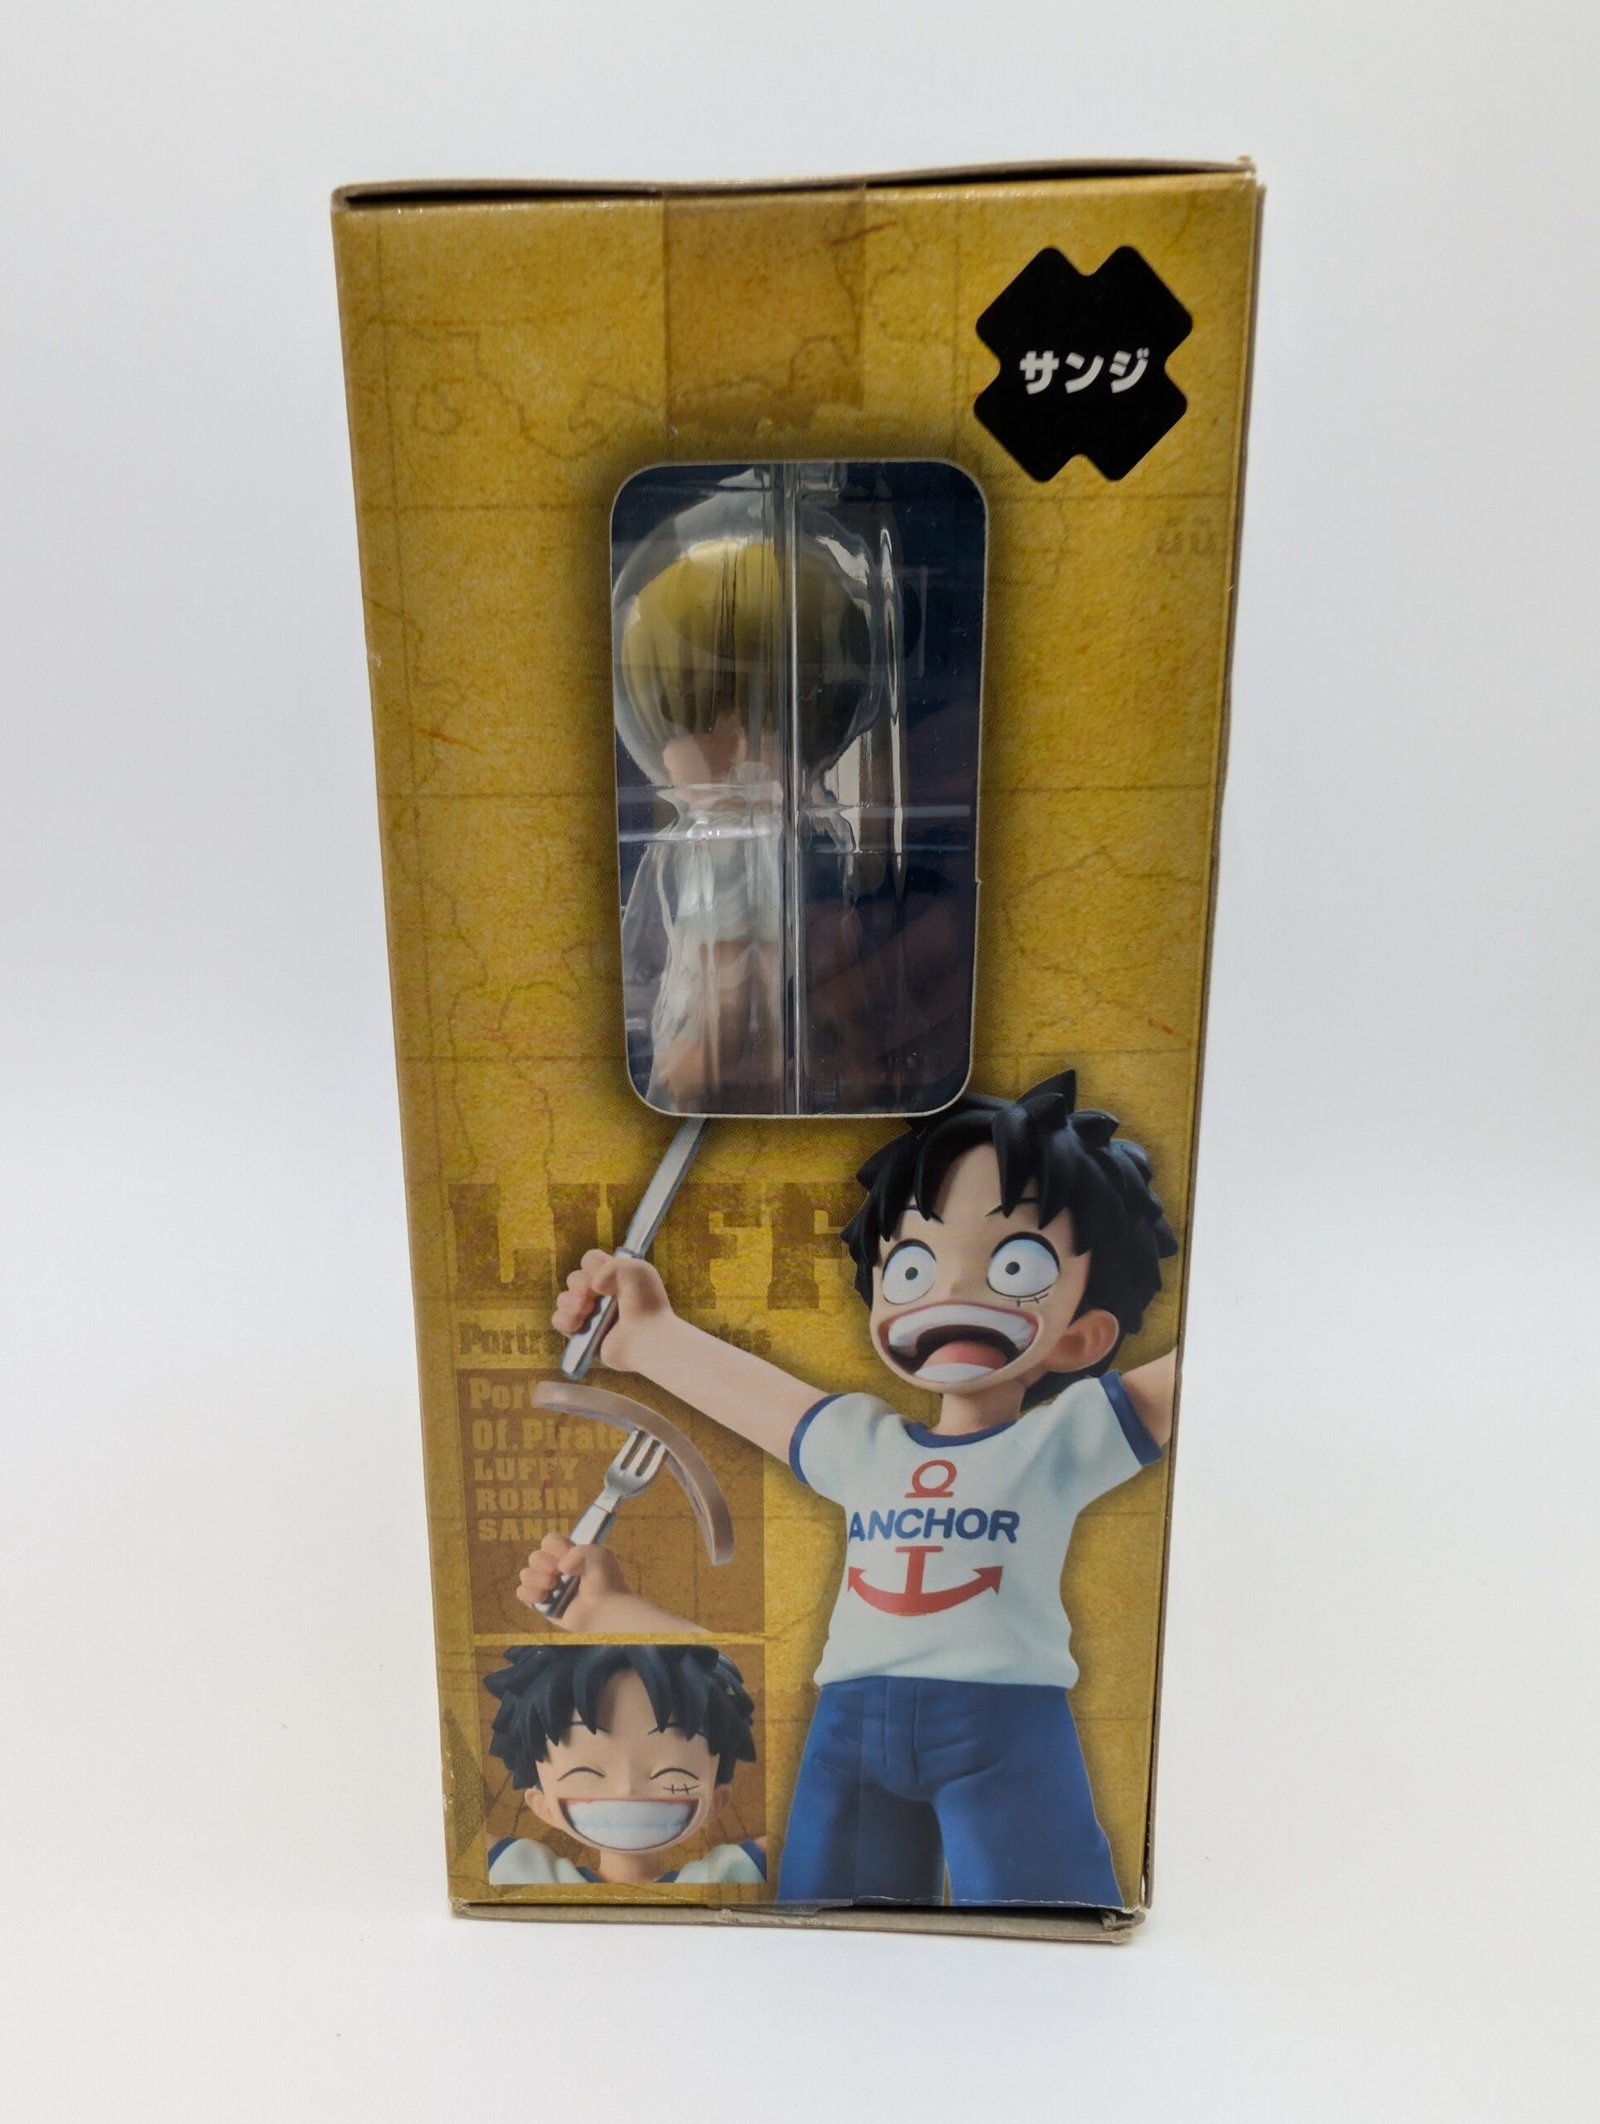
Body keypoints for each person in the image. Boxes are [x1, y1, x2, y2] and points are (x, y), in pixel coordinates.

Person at [546, 1068, 1177, 1908]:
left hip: (1004, 1726)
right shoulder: (861, 1441)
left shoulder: (1059, 1443)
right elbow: (764, 1400)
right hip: (848, 1725)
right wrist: (645, 1334)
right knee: (825, 1917)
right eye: (913, 1266)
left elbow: (1212, 1364)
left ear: (1083, 1336)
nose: (952, 1291)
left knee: (1042, 1915)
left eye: (1014, 1264)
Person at [482, 1642, 765, 1888]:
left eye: (670, 1772)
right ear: (541, 1804)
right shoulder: (528, 1875)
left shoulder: (721, 1879)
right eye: (586, 1772)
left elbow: (788, 1844)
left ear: (717, 1800)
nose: (627, 1788)